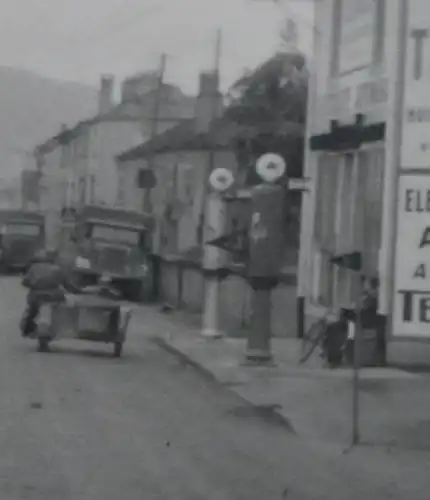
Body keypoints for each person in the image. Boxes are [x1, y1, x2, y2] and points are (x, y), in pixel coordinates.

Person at [20, 248, 81, 337]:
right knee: (60, 309)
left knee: (31, 312)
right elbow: (67, 285)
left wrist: (33, 285)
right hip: (53, 297)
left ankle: (27, 328)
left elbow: (25, 282)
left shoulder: (34, 268)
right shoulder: (58, 269)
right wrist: (79, 291)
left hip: (35, 297)